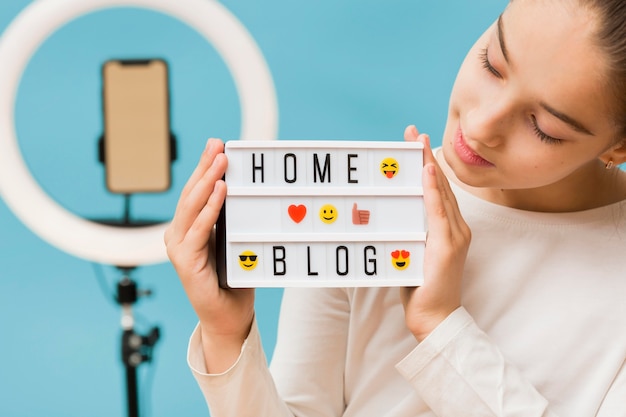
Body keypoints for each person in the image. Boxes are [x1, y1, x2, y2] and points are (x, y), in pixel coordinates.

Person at [164, 0, 626, 415]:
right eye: (493, 63)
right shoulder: (361, 202)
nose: (482, 125)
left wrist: (441, 328)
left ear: (618, 147)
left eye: (543, 126)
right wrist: (226, 334)